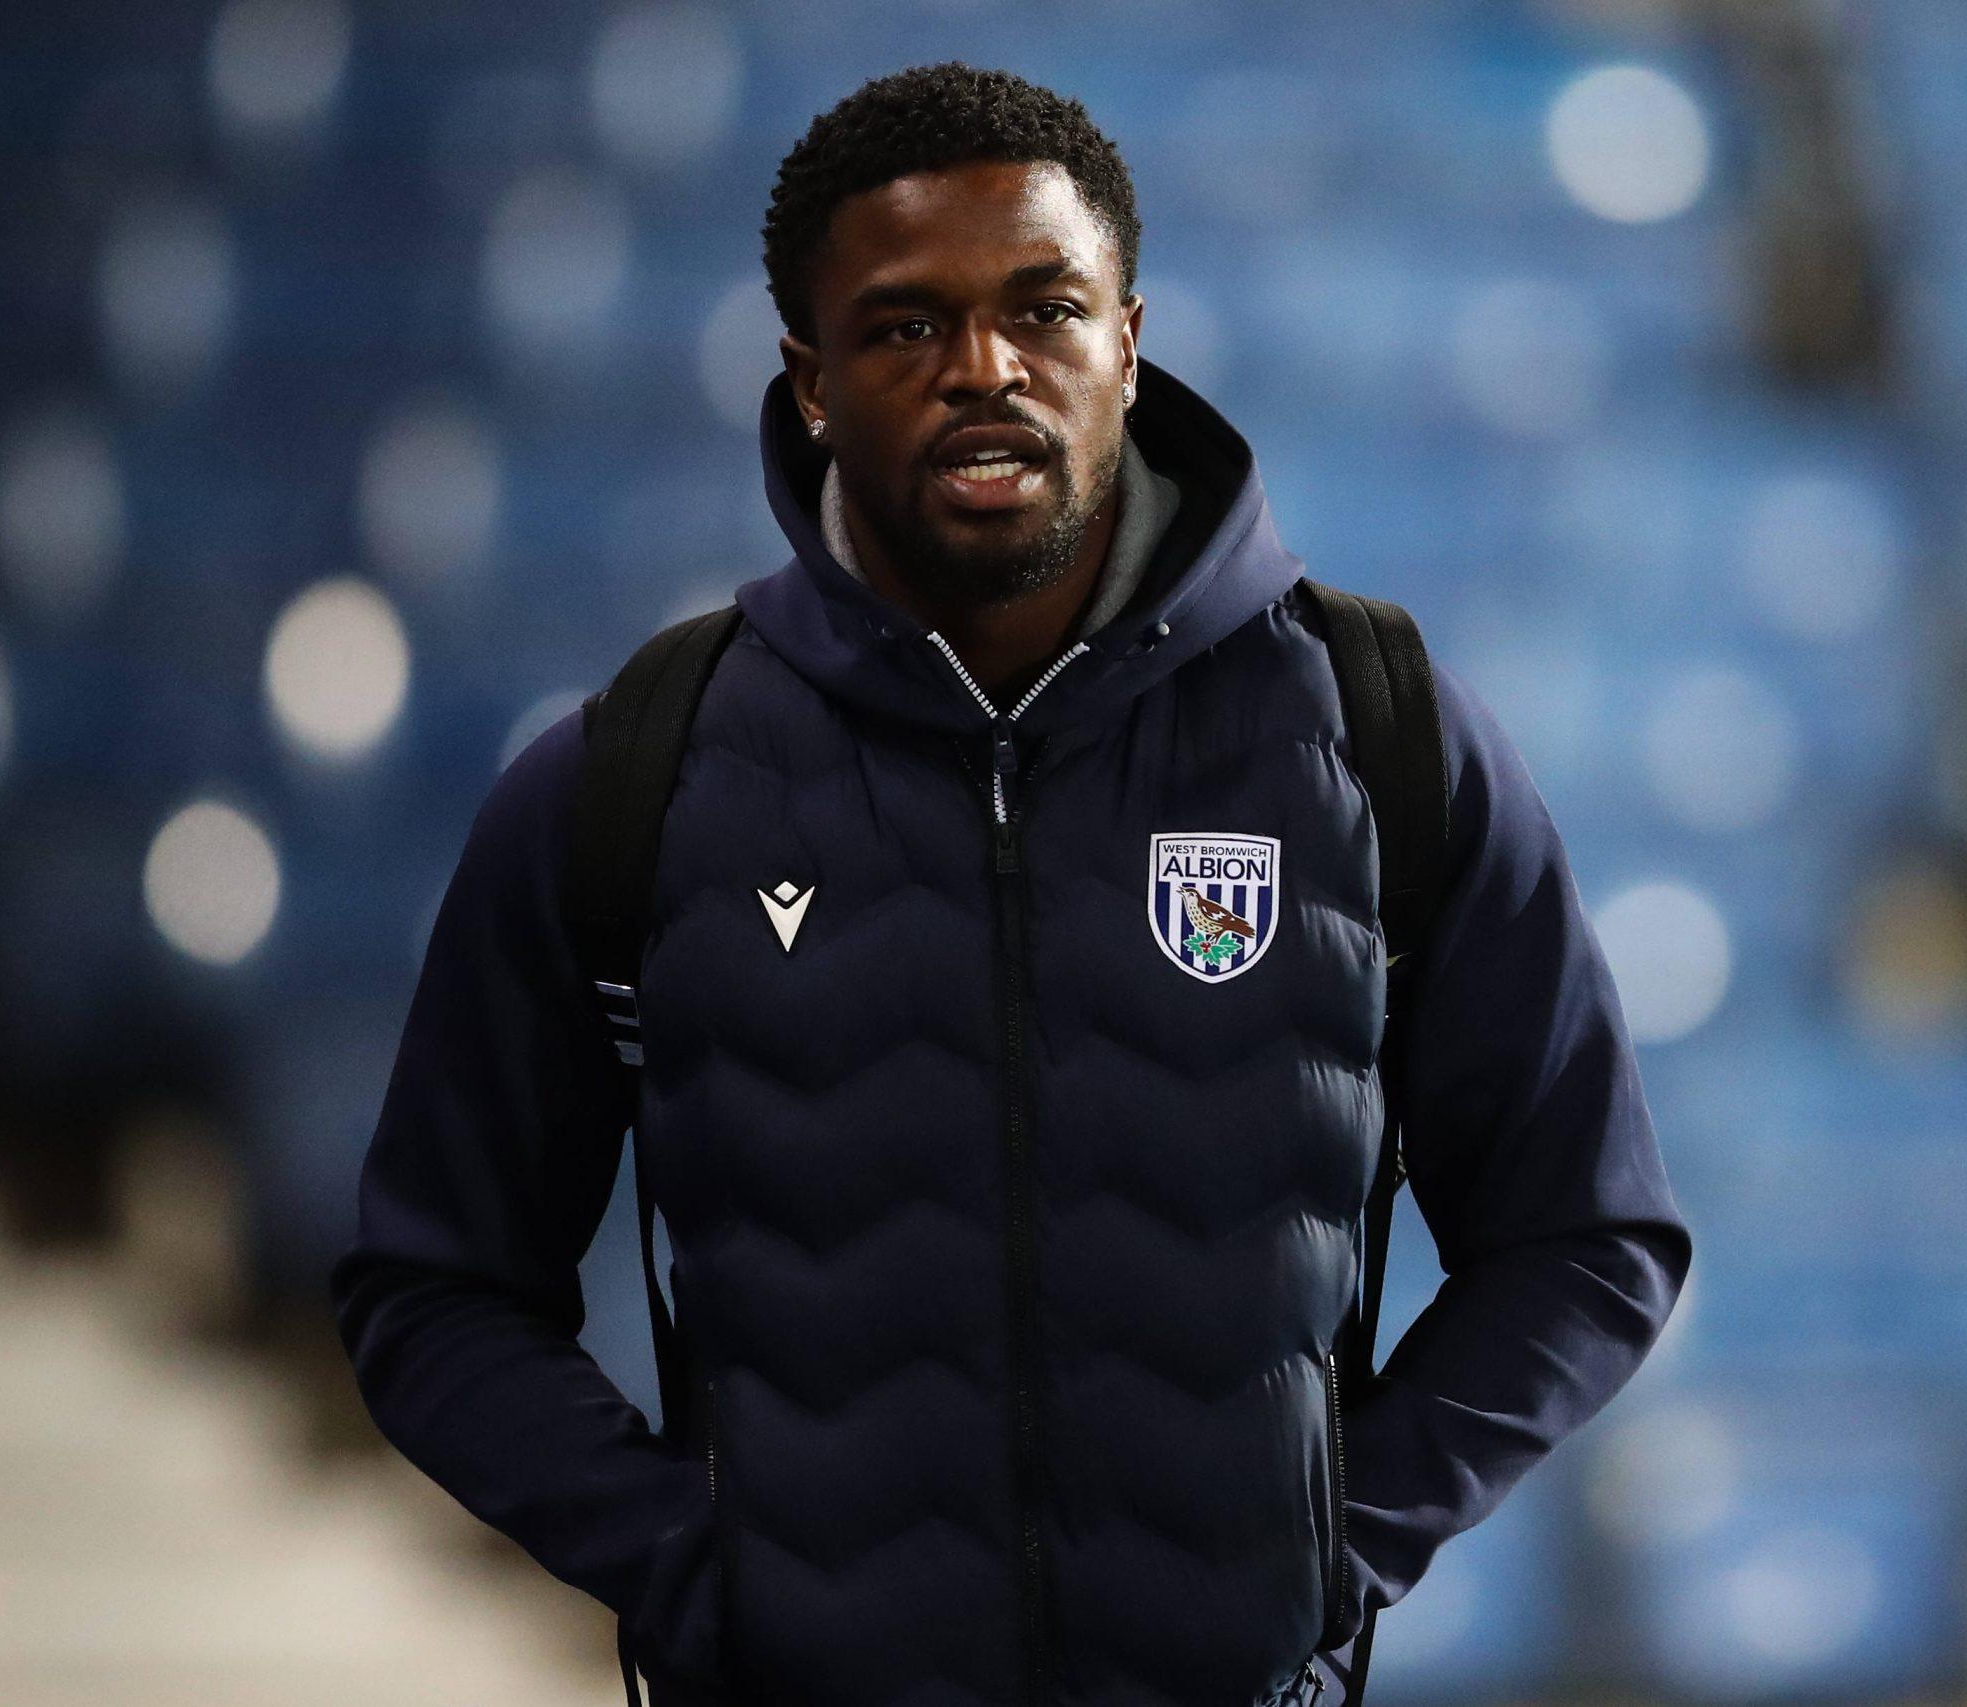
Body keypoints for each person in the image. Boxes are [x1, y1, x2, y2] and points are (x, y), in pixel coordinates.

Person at [331, 62, 1691, 1707]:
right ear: (810, 379)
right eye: (905, 326)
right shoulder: (636, 769)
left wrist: (1331, 1548)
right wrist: (692, 1575)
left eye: (1044, 309)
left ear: (1127, 340)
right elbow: (434, 1288)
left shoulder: (1378, 731)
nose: (986, 369)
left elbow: (1589, 1238)